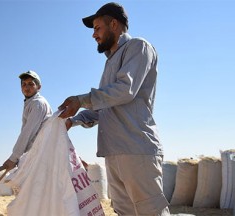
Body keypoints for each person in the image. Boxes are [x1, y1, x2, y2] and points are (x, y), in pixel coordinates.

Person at [58, 2, 170, 216]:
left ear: (114, 24)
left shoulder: (138, 47)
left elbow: (125, 90)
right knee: (123, 211)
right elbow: (103, 107)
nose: (93, 35)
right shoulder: (109, 63)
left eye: (97, 28)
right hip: (113, 152)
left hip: (136, 149)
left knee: (150, 211)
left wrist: (81, 100)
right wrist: (75, 120)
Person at [3, 70, 52, 171]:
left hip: (38, 156)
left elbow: (28, 132)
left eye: (31, 84)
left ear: (39, 87)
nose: (26, 87)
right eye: (24, 84)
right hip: (34, 155)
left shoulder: (37, 103)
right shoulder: (31, 103)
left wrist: (14, 158)